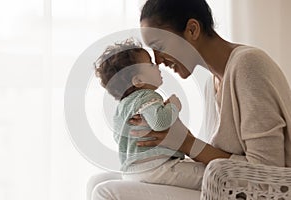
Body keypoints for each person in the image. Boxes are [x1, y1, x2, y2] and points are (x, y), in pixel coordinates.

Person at [91, 0, 291, 199]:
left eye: (159, 46)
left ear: (192, 30)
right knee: (98, 181)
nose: (158, 60)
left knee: (106, 191)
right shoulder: (212, 84)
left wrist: (186, 143)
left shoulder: (248, 64)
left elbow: (268, 174)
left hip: (261, 194)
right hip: (230, 188)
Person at [95, 38, 206, 190]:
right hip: (157, 168)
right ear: (138, 80)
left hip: (132, 173)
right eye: (151, 64)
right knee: (212, 175)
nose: (158, 66)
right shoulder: (147, 96)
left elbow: (119, 137)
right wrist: (174, 106)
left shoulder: (122, 107)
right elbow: (160, 122)